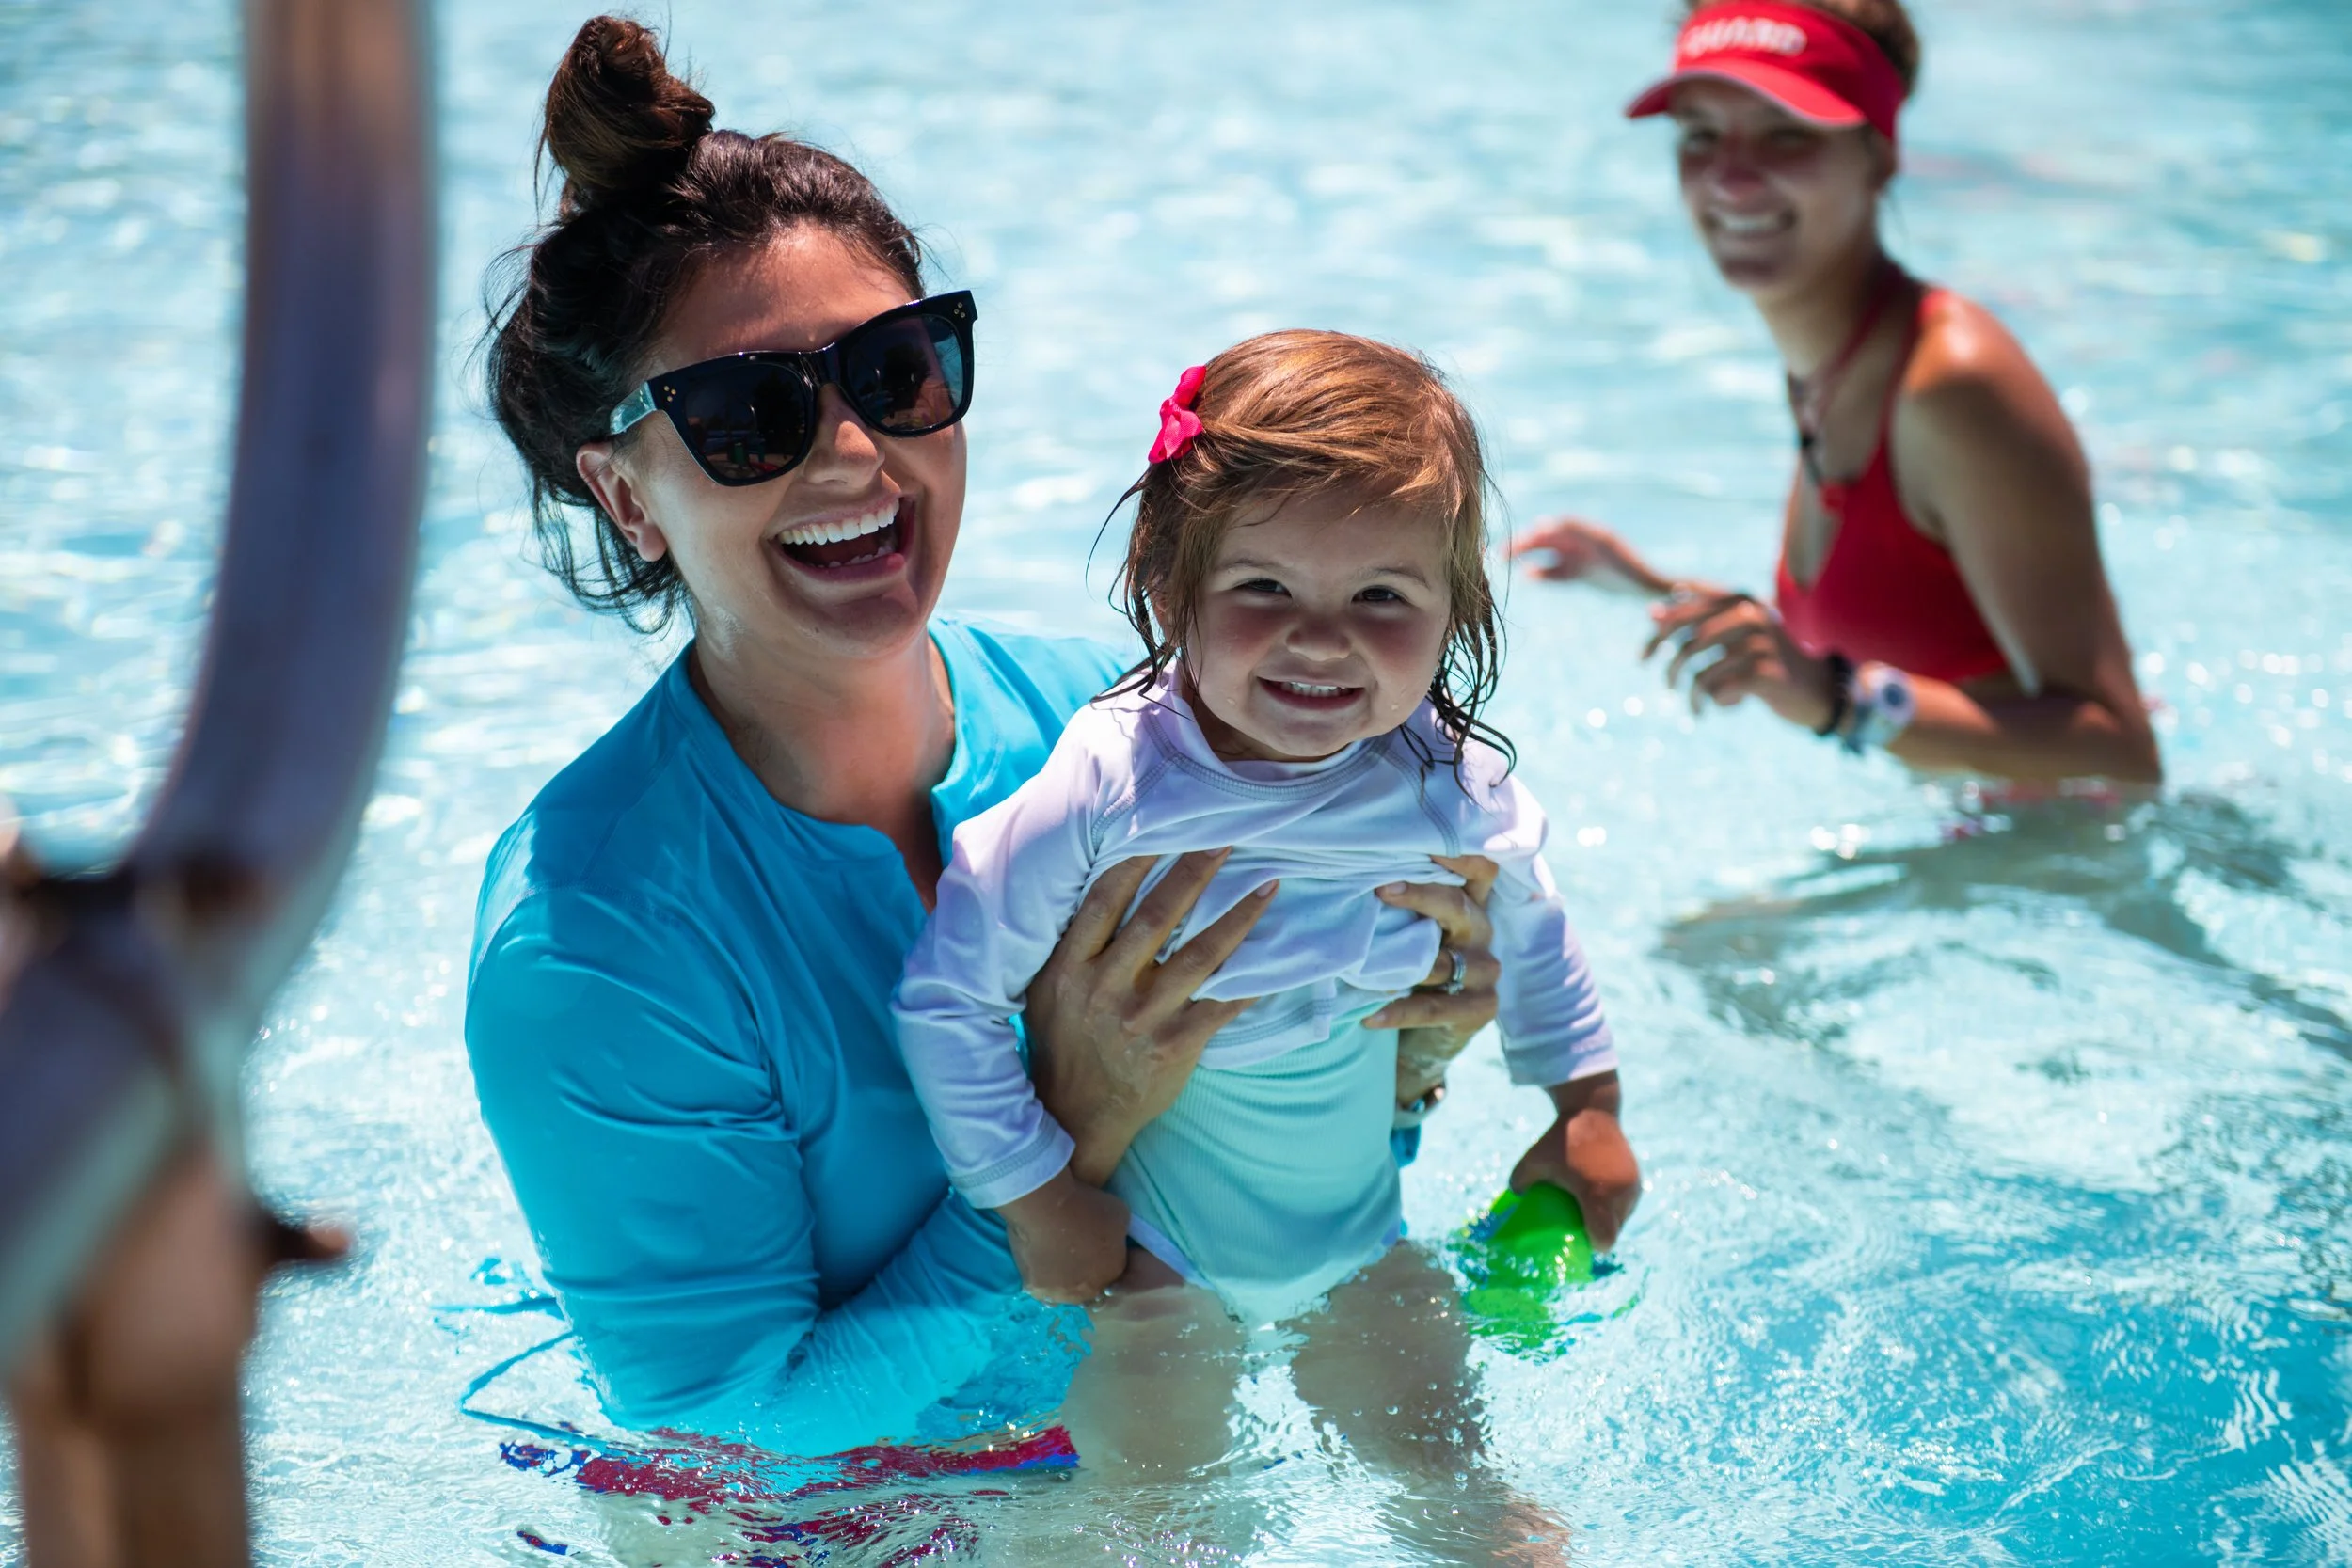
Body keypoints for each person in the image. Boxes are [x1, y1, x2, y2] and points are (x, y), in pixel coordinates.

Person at [460, 17, 1503, 1458]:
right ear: (628, 497)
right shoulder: (593, 948)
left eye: (897, 370)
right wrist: (1062, 1123)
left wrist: (1409, 1054)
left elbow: (1283, 1169)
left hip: (1164, 1429)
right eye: (749, 413)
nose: (852, 456)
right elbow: (728, 1431)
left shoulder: (1131, 727)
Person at [894, 333, 1636, 1324]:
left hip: (1364, 1242)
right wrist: (1036, 1201)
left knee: (1460, 1478)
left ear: (1455, 612)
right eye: (1263, 587)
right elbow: (951, 998)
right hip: (1151, 1264)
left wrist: (1584, 1105)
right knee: (1161, 1484)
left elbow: (1533, 929)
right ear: (1167, 584)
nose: (1322, 636)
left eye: (1381, 595)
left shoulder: (1444, 783)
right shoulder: (1115, 779)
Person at [1512, 0, 2161, 786]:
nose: (1730, 176)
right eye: (1700, 136)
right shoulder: (1832, 361)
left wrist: (1833, 701)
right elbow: (1912, 624)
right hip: (1988, 842)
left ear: (1879, 156)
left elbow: (2123, 754)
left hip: (2074, 871)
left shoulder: (1950, 385)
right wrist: (1657, 590)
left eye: (1786, 132)